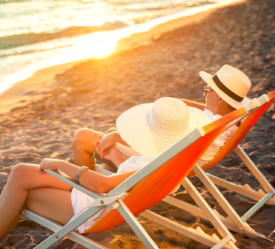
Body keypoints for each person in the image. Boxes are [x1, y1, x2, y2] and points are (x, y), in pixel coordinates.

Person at [0, 97, 211, 249]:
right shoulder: (169, 156)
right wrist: (113, 154)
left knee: (22, 183)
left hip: (95, 207)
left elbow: (104, 184)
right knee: (22, 174)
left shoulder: (156, 160)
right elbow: (130, 179)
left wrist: (61, 164)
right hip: (103, 197)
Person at [72, 64, 252, 170]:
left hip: (163, 159)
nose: (205, 95)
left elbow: (163, 142)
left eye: (208, 90)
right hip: (188, 160)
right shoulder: (232, 119)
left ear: (220, 98)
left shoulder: (206, 126)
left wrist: (115, 136)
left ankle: (85, 187)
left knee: (83, 138)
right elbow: (210, 111)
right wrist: (185, 103)